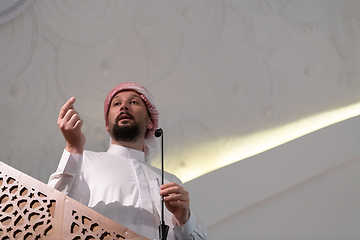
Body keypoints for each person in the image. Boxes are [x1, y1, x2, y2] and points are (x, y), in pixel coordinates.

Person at [48, 82, 207, 240]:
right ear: (107, 125)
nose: (124, 107)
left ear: (151, 122)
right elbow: (52, 211)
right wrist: (73, 148)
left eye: (134, 102)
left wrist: (184, 220)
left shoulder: (171, 181)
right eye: (116, 103)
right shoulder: (84, 160)